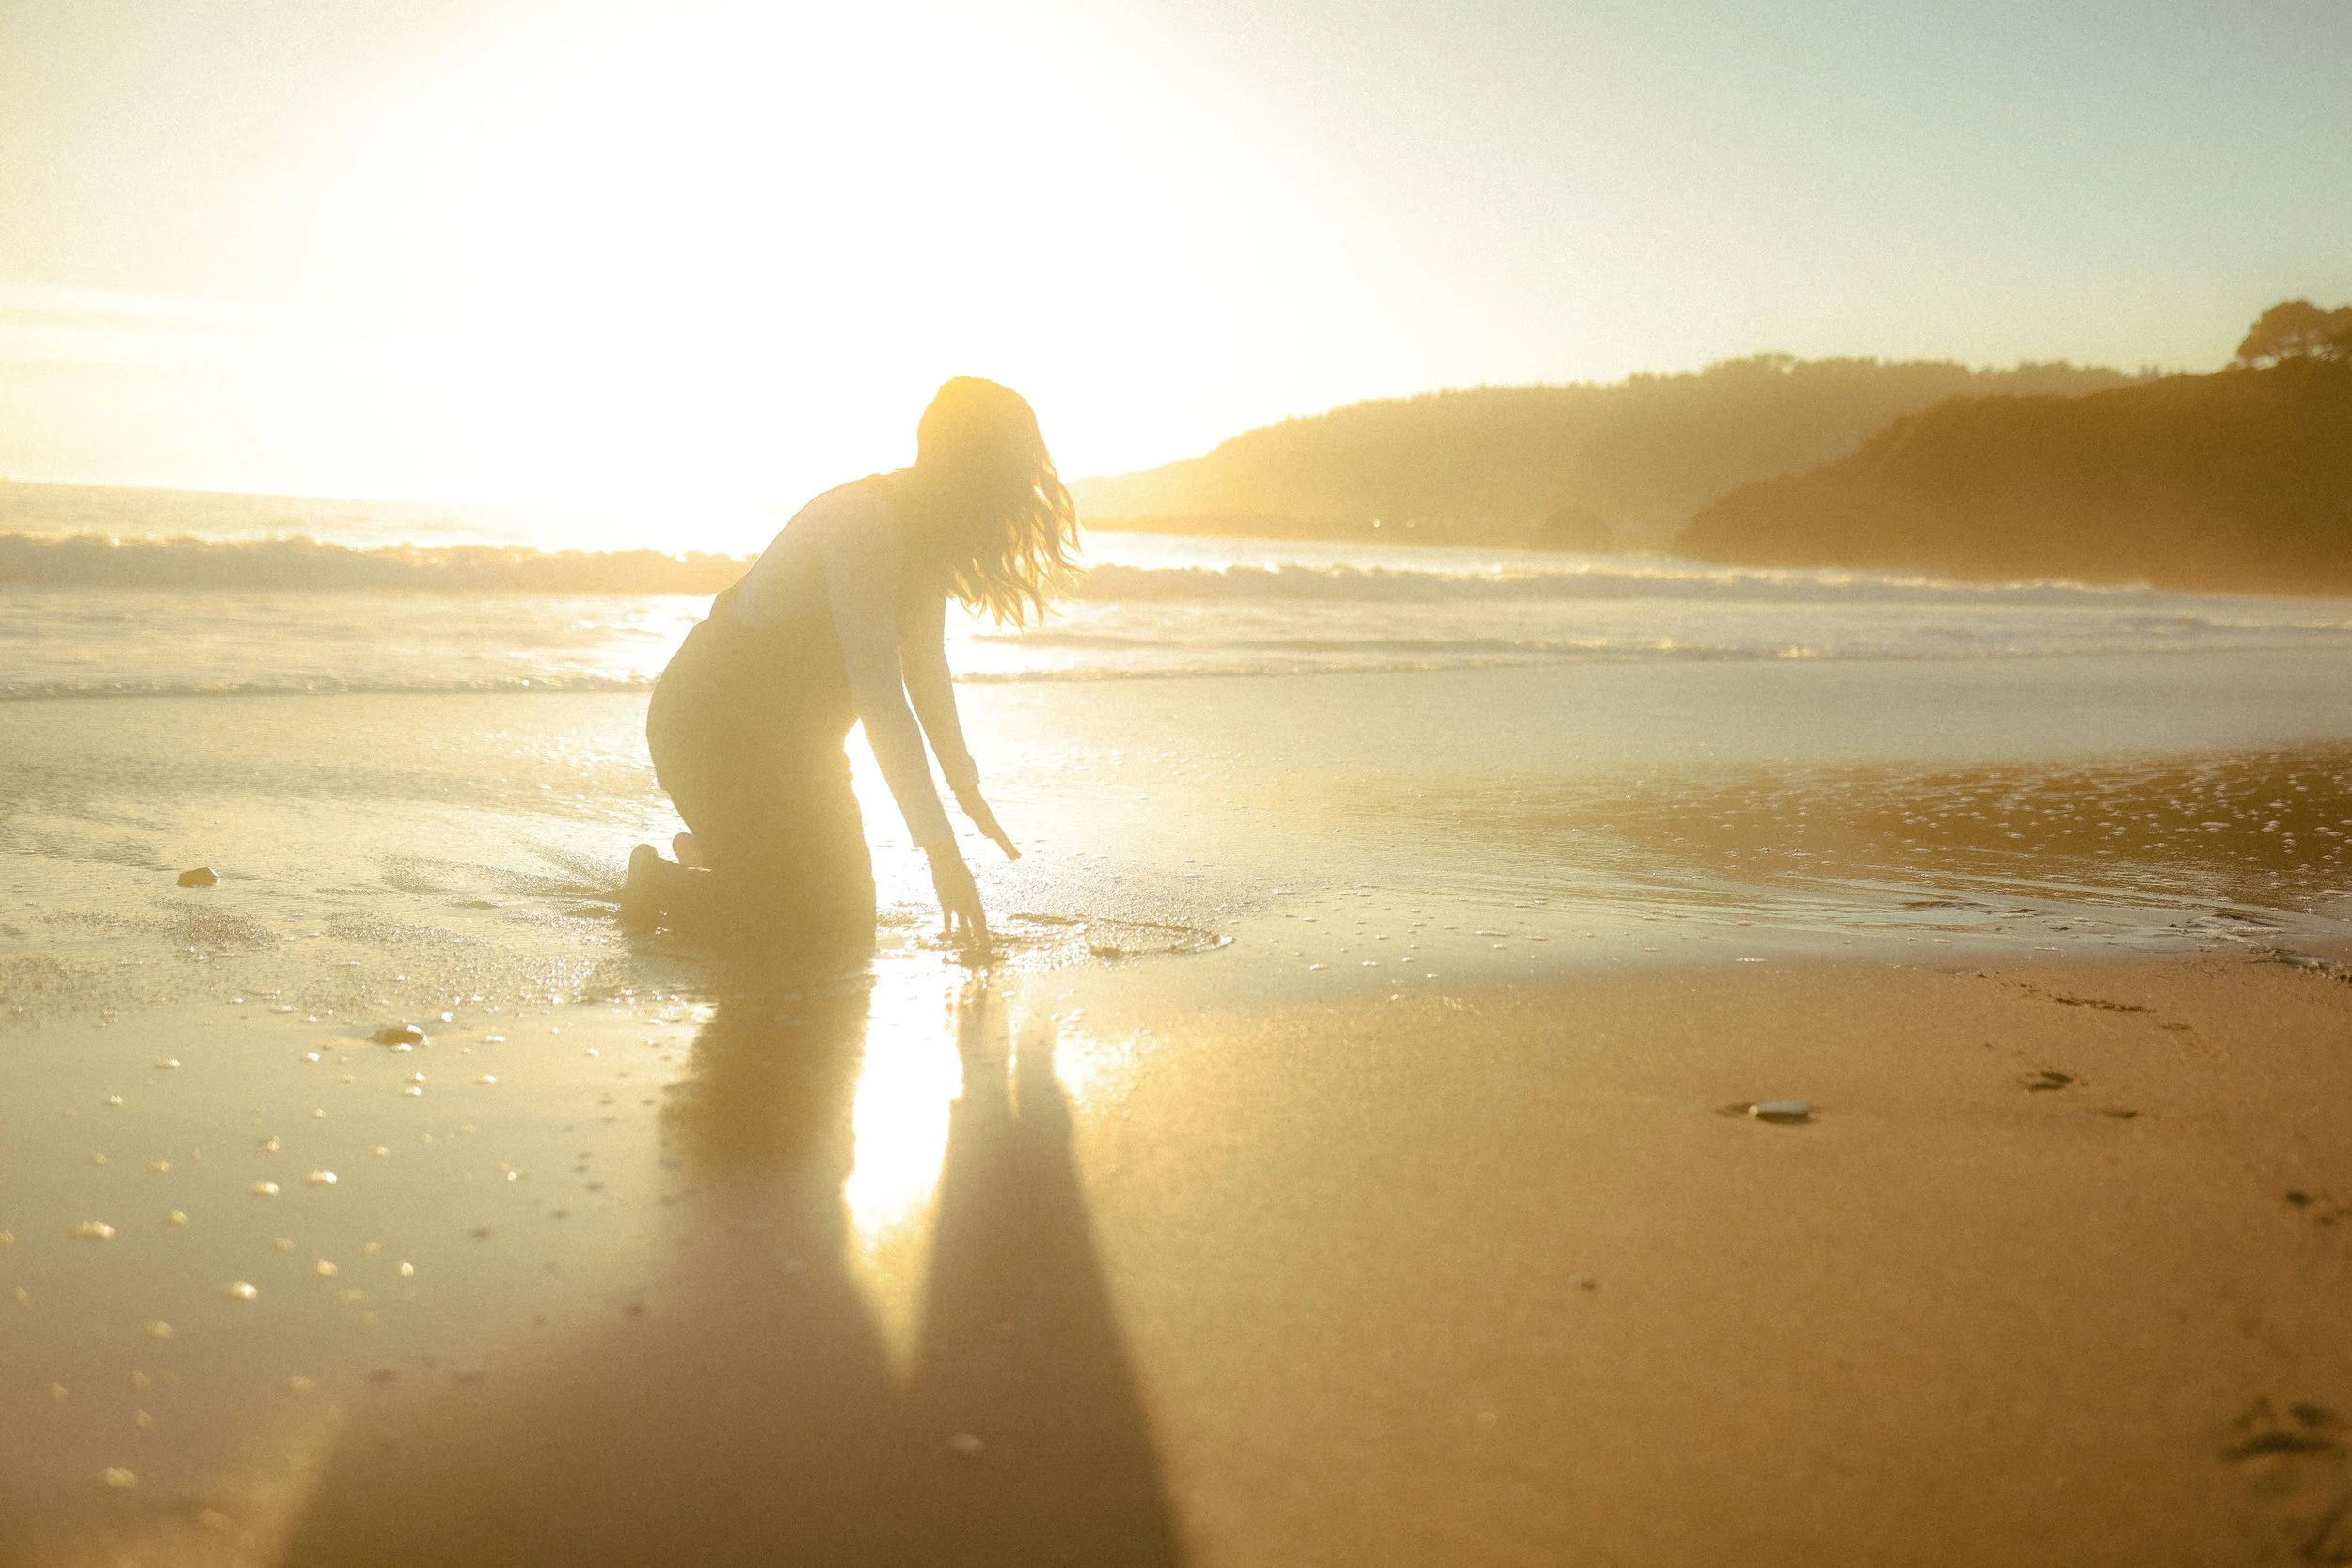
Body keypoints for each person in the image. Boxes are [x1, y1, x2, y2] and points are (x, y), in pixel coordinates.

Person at [620, 378, 1078, 954]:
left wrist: (964, 784)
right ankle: (661, 878)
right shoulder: (862, 519)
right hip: (710, 729)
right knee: (809, 929)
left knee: (845, 925)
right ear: (965, 463)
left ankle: (729, 858)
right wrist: (943, 856)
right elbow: (882, 699)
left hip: (797, 745)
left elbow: (925, 665)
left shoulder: (925, 535)